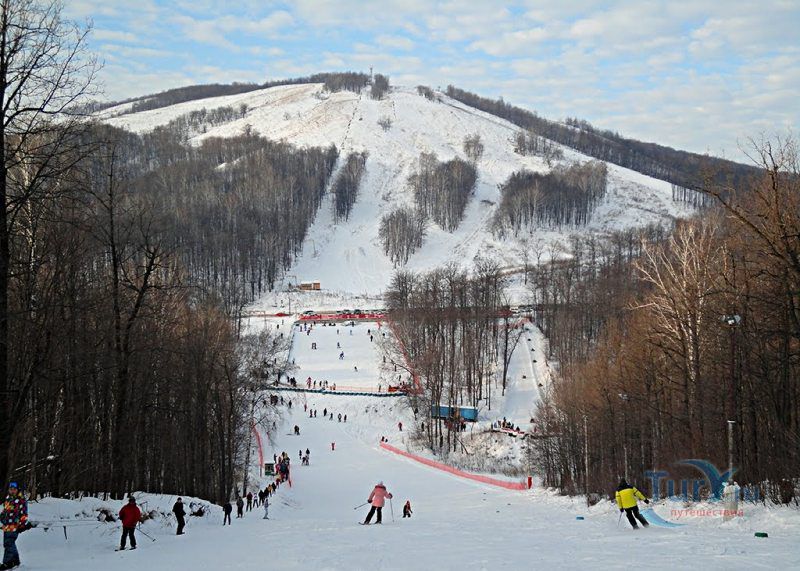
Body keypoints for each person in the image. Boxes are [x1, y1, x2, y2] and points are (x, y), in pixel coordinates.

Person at [1, 481, 28, 569]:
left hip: (14, 525)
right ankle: (15, 561)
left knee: (9, 543)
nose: (12, 491)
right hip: (7, 526)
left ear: (17, 490)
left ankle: (7, 563)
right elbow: (5, 511)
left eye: (14, 489)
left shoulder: (20, 500)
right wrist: (2, 519)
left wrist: (22, 525)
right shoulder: (8, 499)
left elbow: (24, 514)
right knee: (9, 543)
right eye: (11, 489)